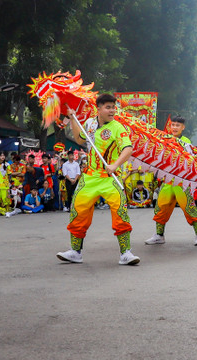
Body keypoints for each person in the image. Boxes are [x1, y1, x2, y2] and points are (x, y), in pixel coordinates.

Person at [57, 93, 140, 266]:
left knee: (120, 211)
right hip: (89, 177)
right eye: (108, 107)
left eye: (113, 107)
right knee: (77, 211)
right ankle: (75, 252)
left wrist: (115, 165)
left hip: (109, 177)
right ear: (99, 108)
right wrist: (72, 119)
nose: (112, 110)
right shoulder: (89, 123)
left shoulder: (118, 127)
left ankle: (126, 253)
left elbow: (128, 149)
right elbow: (80, 139)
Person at [146, 115, 197, 246]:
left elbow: (189, 160)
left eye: (178, 125)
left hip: (181, 182)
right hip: (167, 181)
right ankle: (159, 235)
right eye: (173, 125)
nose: (174, 128)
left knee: (189, 208)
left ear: (183, 127)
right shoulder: (164, 140)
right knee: (160, 208)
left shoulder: (185, 141)